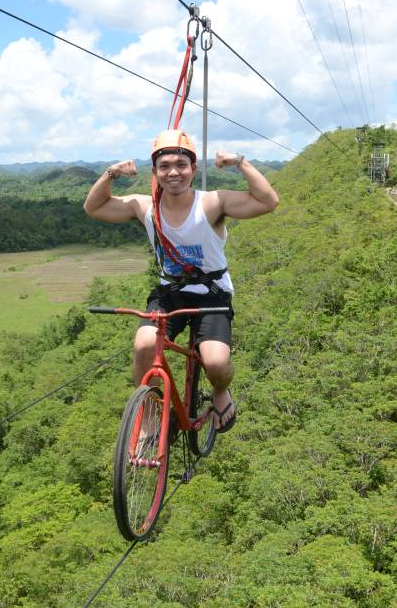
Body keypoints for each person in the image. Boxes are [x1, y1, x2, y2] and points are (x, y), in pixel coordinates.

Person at [83, 130, 280, 433]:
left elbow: (268, 201)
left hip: (211, 294)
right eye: (165, 166)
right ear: (155, 172)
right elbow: (93, 207)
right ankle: (150, 408)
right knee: (144, 345)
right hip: (171, 291)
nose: (173, 172)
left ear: (193, 169)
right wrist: (113, 173)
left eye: (181, 164)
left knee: (215, 363)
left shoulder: (212, 204)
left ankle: (219, 391)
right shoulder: (144, 207)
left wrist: (239, 162)